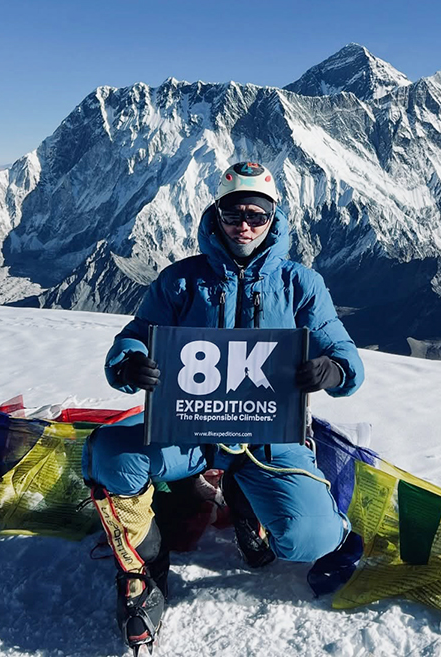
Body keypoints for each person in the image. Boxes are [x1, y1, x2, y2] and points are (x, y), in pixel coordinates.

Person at [82, 161, 364, 654]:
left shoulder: (301, 284)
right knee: (111, 454)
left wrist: (332, 371)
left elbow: (343, 354)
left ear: (274, 219)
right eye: (234, 215)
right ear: (217, 215)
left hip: (267, 437)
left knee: (309, 540)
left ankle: (245, 498)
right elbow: (134, 336)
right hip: (189, 430)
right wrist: (129, 364)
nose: (245, 227)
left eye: (257, 215)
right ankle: (146, 562)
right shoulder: (180, 281)